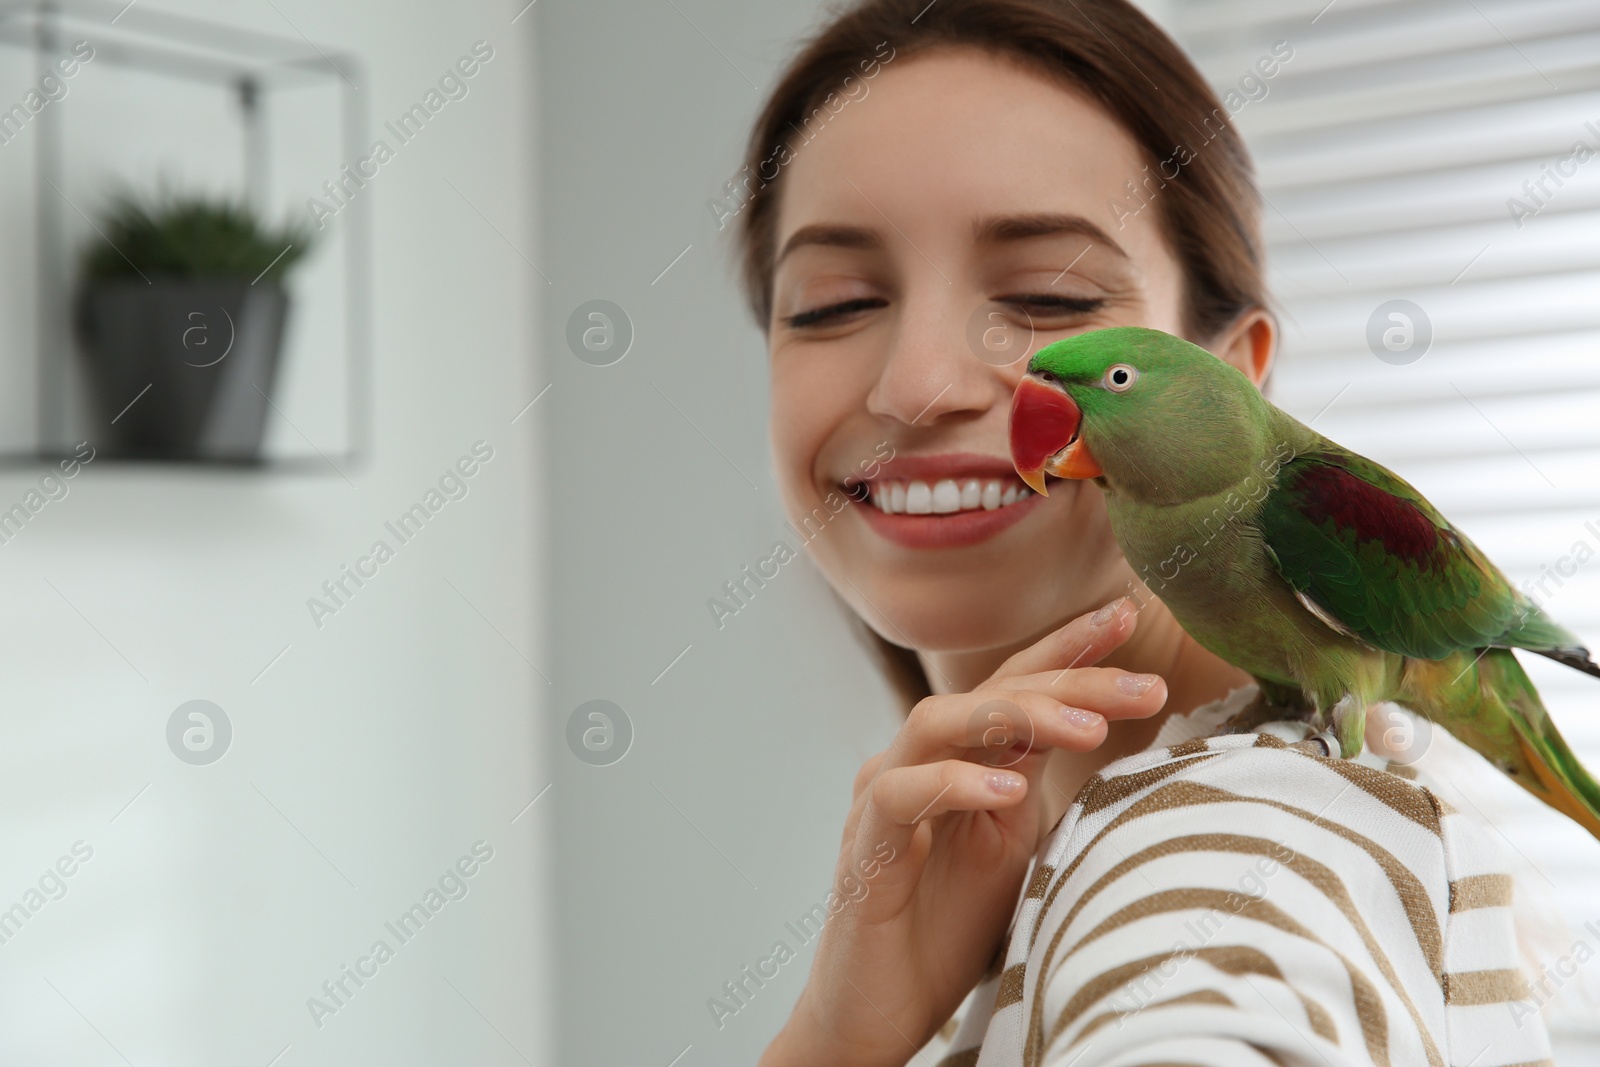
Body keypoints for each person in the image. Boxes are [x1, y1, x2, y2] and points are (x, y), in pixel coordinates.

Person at [733, 1, 1556, 1065]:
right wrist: (837, 1042)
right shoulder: (1005, 890)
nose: (918, 383)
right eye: (832, 303)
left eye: (1045, 291)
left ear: (1238, 372)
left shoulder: (1229, 853)